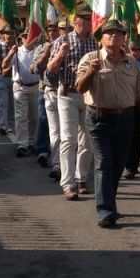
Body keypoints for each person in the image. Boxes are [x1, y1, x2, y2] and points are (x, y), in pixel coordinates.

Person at [78, 19, 140, 229]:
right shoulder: (91, 58)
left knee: (117, 164)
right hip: (99, 118)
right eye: (109, 33)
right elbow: (80, 87)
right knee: (104, 162)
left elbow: (139, 93)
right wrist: (91, 71)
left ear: (123, 38)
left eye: (118, 33)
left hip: (125, 118)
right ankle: (105, 210)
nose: (114, 36)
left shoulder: (131, 62)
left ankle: (110, 202)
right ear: (102, 37)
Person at [47, 11, 96, 200]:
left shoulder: (94, 42)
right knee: (69, 139)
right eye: (86, 19)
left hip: (89, 95)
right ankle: (68, 184)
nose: (90, 22)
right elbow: (50, 70)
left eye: (91, 19)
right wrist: (60, 54)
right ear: (76, 21)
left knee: (88, 140)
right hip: (67, 94)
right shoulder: (63, 41)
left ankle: (81, 178)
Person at [35, 19, 68, 180]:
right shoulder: (43, 47)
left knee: (67, 133)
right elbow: (35, 68)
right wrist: (48, 52)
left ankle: (66, 164)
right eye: (53, 30)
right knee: (52, 129)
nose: (56, 32)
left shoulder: (71, 45)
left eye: (59, 29)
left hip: (67, 93)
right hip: (48, 91)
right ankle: (54, 162)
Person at [10, 31, 41, 157]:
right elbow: (5, 65)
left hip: (35, 86)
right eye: (25, 37)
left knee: (34, 117)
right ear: (21, 39)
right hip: (20, 87)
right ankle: (22, 144)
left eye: (30, 36)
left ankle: (31, 141)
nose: (28, 38)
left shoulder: (38, 51)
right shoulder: (17, 51)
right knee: (21, 117)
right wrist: (11, 52)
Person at [124, 35, 140, 180]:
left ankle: (133, 167)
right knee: (126, 136)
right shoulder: (125, 61)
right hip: (127, 102)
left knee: (137, 138)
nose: (136, 52)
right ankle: (126, 165)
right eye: (133, 49)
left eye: (139, 49)